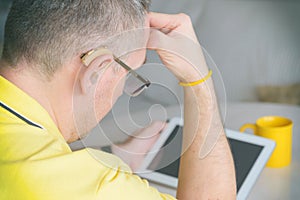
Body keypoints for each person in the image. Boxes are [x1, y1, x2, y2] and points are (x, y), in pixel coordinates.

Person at [0, 0, 236, 199]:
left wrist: (115, 156)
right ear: (97, 69)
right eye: (129, 72)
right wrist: (198, 79)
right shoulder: (95, 188)